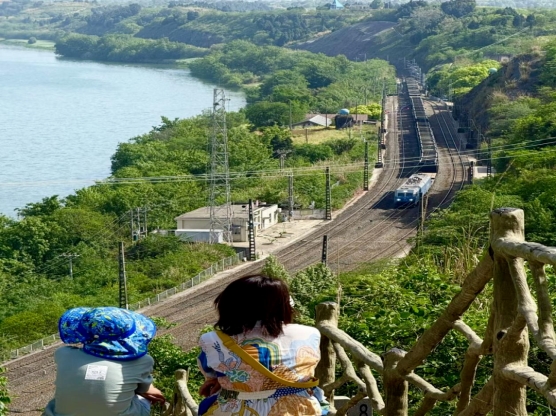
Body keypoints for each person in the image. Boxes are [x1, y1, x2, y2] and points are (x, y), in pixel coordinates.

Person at [197, 275, 324, 416]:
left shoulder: (211, 339)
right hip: (299, 408)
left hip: (238, 409)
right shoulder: (310, 333)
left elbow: (210, 371)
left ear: (229, 306)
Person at [43, 307, 165, 416]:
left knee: (57, 402)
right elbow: (149, 392)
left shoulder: (63, 354)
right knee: (141, 398)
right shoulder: (143, 361)